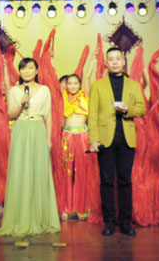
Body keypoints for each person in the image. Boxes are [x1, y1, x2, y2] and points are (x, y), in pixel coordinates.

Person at [0, 58, 60, 236]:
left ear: (37, 71)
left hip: (38, 129)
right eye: (23, 68)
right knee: (20, 170)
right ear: (19, 71)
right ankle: (19, 218)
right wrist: (20, 103)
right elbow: (10, 115)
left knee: (38, 171)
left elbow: (48, 115)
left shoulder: (45, 90)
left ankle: (39, 218)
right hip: (21, 129)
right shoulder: (14, 90)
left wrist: (49, 139)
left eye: (30, 68)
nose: (26, 71)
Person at [88, 47, 147, 237]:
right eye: (111, 59)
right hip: (105, 140)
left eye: (117, 59)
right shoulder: (98, 86)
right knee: (106, 182)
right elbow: (92, 115)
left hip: (126, 139)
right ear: (106, 63)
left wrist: (129, 110)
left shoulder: (134, 85)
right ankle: (109, 223)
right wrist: (93, 140)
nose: (114, 62)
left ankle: (125, 223)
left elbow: (142, 109)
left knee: (125, 182)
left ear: (123, 61)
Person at [61, 71, 97, 220]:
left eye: (75, 83)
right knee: (66, 172)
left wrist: (92, 64)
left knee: (82, 172)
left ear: (80, 85)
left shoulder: (85, 97)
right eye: (69, 83)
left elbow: (88, 77)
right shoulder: (63, 98)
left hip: (82, 136)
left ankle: (81, 208)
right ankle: (66, 207)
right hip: (67, 136)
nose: (72, 86)